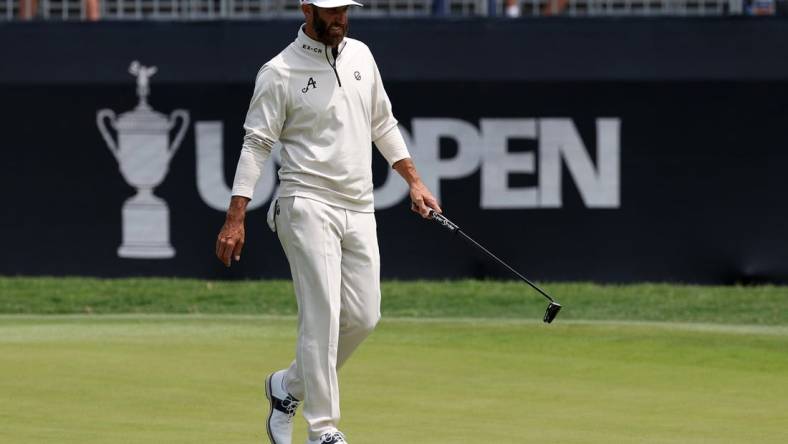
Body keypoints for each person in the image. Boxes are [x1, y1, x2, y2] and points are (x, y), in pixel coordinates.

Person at [214, 1, 441, 443]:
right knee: (322, 316)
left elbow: (383, 123)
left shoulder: (361, 55)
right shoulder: (278, 71)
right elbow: (256, 144)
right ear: (307, 10)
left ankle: (287, 388)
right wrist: (235, 217)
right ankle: (323, 429)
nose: (339, 19)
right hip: (305, 202)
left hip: (358, 205)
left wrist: (414, 181)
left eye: (344, 11)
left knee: (363, 316)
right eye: (330, 11)